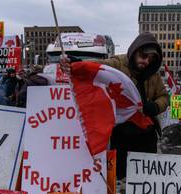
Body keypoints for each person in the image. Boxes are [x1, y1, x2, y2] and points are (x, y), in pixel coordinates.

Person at [61, 32, 169, 179]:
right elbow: (99, 68)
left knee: (146, 176)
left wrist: (154, 107)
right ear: (135, 51)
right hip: (122, 131)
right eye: (143, 56)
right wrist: (77, 63)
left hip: (146, 132)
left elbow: (164, 97)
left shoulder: (153, 75)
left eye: (151, 59)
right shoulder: (118, 63)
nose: (146, 61)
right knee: (119, 173)